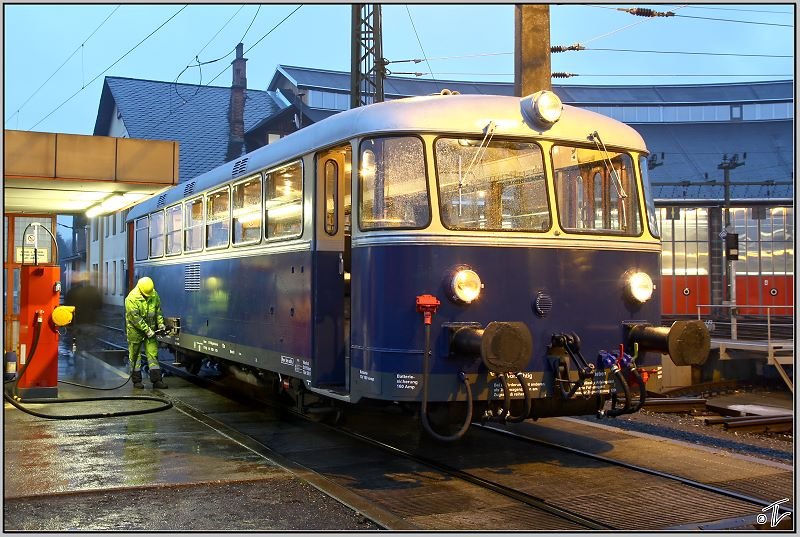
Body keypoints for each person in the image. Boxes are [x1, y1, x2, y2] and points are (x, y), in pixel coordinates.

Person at [125, 276, 167, 389]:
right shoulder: (131, 298)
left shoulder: (153, 294)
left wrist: (160, 324)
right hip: (135, 331)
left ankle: (157, 380)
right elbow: (135, 318)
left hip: (151, 330)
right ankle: (137, 381)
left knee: (153, 355)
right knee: (135, 356)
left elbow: (158, 311)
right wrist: (146, 330)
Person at [63, 272, 103, 353]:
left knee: (78, 348)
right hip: (91, 323)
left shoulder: (71, 292)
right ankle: (91, 362)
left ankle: (80, 362)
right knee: (92, 347)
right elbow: (99, 305)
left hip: (77, 324)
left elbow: (67, 309)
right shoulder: (93, 291)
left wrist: (68, 325)